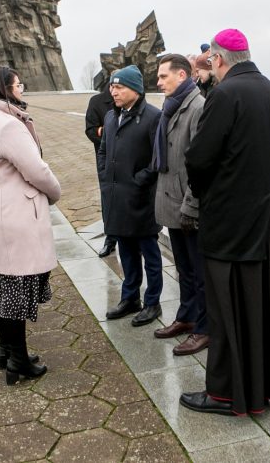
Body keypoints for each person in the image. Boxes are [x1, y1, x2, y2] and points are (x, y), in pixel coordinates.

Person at [182, 28, 270, 416]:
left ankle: (229, 394)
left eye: (210, 62)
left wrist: (204, 193)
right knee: (268, 303)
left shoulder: (224, 93)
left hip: (229, 221)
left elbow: (199, 157)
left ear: (219, 59)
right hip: (266, 216)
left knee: (227, 308)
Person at [0, 66, 61, 385]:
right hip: (14, 213)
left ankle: (5, 350)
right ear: (5, 89)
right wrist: (55, 192)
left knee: (1, 282)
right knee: (16, 288)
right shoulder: (7, 125)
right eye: (18, 85)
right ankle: (18, 361)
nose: (21, 90)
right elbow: (35, 170)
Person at [98, 65, 164, 327]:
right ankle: (130, 298)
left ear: (135, 89)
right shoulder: (111, 116)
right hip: (117, 197)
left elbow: (159, 158)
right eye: (112, 87)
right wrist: (105, 175)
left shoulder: (153, 117)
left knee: (150, 254)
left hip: (141, 200)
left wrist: (139, 181)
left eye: (119, 87)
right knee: (126, 252)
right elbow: (103, 150)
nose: (114, 91)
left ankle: (152, 302)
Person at [152, 54, 208, 355]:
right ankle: (187, 317)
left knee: (199, 272)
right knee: (184, 268)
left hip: (189, 204)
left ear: (183, 75)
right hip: (172, 201)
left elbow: (200, 163)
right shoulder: (172, 106)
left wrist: (192, 204)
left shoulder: (197, 107)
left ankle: (204, 327)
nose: (159, 82)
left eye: (163, 76)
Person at [84, 84, 118, 258]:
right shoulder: (97, 102)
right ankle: (110, 240)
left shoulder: (135, 98)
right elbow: (90, 130)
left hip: (131, 159)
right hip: (106, 159)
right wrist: (110, 130)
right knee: (108, 200)